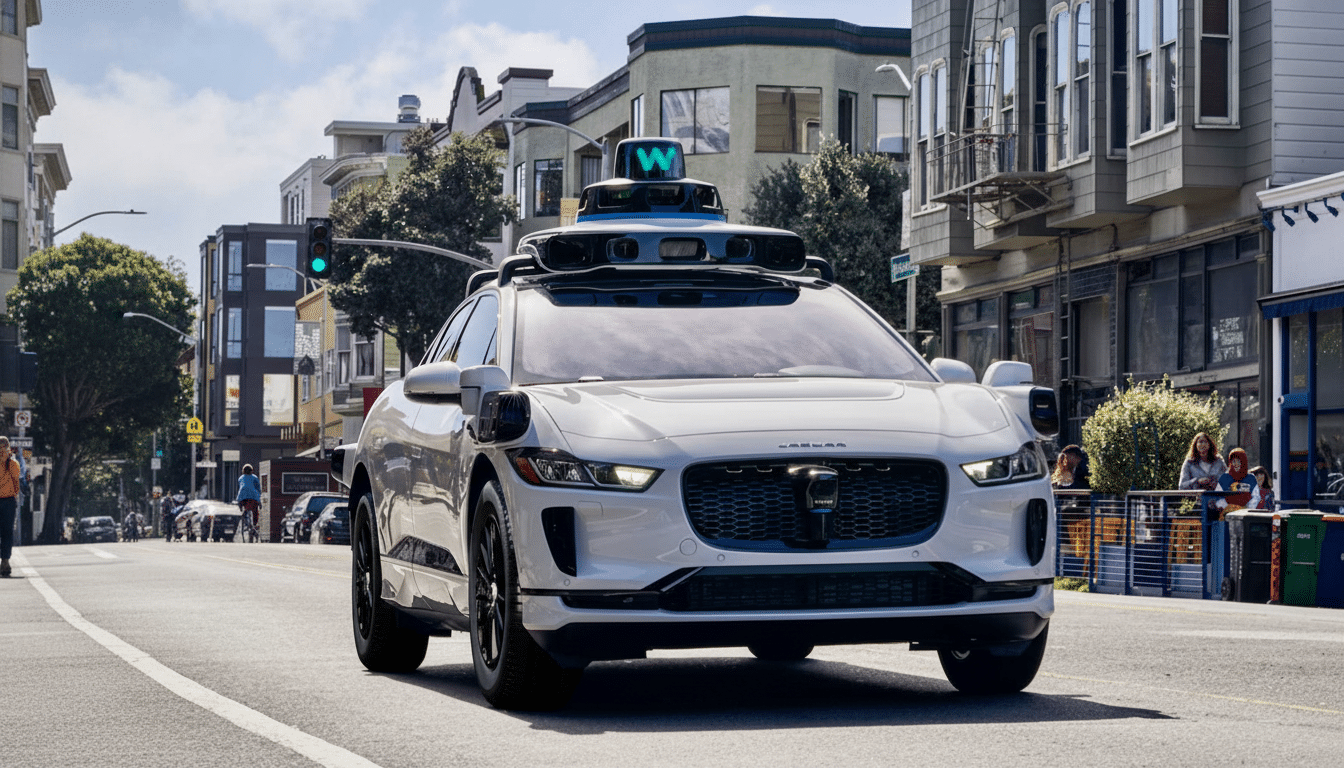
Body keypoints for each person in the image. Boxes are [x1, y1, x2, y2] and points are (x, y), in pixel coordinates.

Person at [1212, 447, 1260, 520]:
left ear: (1244, 462)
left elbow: (1256, 497)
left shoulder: (1251, 478)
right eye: (1234, 461)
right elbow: (1217, 496)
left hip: (1246, 516)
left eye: (1239, 461)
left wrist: (1246, 510)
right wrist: (1229, 508)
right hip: (1227, 515)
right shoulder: (1224, 478)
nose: (1236, 464)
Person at [0, 436, 20, 577]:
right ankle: (5, 562)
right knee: (7, 532)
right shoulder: (13, 464)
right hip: (8, 501)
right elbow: (16, 482)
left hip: (7, 500)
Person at [236, 464, 261, 540]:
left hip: (243, 497)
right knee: (255, 510)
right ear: (251, 471)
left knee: (243, 507)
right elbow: (258, 488)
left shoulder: (241, 478)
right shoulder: (255, 477)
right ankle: (255, 524)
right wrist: (259, 497)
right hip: (253, 497)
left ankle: (243, 513)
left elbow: (240, 487)